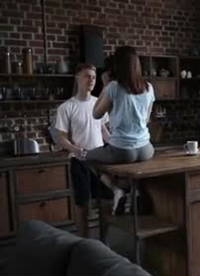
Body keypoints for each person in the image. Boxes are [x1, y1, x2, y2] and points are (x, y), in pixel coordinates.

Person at [54, 63, 125, 237]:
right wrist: (74, 149)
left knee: (107, 200)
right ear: (77, 78)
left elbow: (103, 130)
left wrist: (116, 144)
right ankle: (84, 242)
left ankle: (104, 241)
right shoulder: (66, 107)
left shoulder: (99, 103)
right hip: (79, 161)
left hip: (100, 160)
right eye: (87, 76)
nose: (91, 80)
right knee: (83, 205)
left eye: (93, 77)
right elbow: (60, 137)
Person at [85, 46, 155, 164]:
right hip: (146, 149)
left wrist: (105, 85)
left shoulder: (113, 87)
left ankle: (111, 182)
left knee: (85, 156)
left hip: (122, 151)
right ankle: (123, 182)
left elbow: (96, 114)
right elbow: (146, 119)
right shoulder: (148, 87)